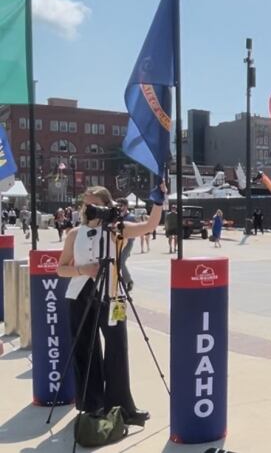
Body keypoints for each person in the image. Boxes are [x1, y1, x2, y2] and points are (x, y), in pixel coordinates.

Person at [56, 183, 166, 427]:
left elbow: (149, 226)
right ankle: (91, 404)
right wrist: (82, 269)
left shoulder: (117, 230)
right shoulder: (75, 233)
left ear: (107, 205)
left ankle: (122, 406)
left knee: (117, 347)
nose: (88, 206)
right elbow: (60, 268)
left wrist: (159, 202)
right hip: (79, 295)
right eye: (86, 201)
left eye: (93, 202)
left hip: (112, 292)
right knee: (85, 348)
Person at [116, 198, 136, 292]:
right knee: (117, 262)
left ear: (126, 206)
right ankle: (121, 281)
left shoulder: (131, 217)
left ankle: (128, 281)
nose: (119, 207)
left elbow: (133, 231)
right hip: (118, 242)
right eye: (118, 205)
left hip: (128, 242)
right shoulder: (117, 216)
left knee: (121, 262)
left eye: (121, 205)